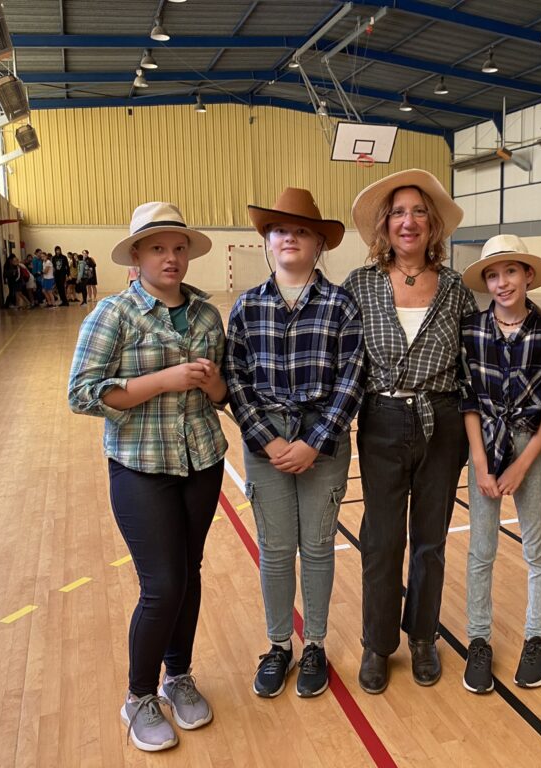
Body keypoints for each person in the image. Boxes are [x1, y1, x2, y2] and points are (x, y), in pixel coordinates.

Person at [68, 202, 228, 751]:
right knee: (162, 585)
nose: (171, 258)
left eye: (178, 248)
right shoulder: (113, 314)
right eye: (158, 248)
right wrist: (163, 379)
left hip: (201, 461)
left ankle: (177, 676)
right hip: (140, 466)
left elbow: (223, 393)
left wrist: (211, 383)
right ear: (136, 255)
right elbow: (81, 394)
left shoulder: (206, 316)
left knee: (189, 574)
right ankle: (139, 696)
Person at [224, 188, 364, 699]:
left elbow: (352, 378)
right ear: (267, 240)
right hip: (266, 447)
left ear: (319, 243)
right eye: (280, 230)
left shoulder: (341, 305)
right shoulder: (247, 306)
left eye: (301, 231)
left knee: (318, 547)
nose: (289, 238)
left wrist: (314, 442)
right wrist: (266, 440)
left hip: (322, 444)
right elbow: (235, 377)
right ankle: (279, 644)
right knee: (277, 549)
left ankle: (316, 645)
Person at [343, 169, 477, 693]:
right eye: (398, 212)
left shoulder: (456, 289)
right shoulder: (360, 285)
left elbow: (472, 365)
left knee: (430, 541)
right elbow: (344, 360)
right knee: (380, 541)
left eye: (419, 211)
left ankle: (423, 636)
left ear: (432, 225)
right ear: (385, 224)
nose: (408, 221)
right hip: (381, 420)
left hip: (442, 421)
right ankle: (377, 644)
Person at [458, 234, 541, 693]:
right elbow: (467, 399)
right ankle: (478, 639)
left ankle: (537, 638)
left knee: (536, 549)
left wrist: (524, 464)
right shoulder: (471, 331)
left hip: (528, 447)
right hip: (484, 445)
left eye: (510, 272)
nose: (502, 282)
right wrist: (481, 463)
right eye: (493, 275)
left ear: (527, 276)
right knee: (481, 549)